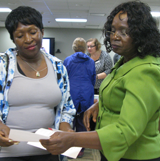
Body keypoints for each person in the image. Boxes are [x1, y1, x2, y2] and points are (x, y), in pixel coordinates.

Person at [40, 1, 160, 161]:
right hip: (111, 152)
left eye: (124, 32)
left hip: (135, 155)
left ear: (141, 35)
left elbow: (126, 131)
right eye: (113, 30)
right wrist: (99, 104)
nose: (115, 36)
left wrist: (73, 139)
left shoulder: (146, 70)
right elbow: (120, 92)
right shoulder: (125, 61)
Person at [0, 6, 76, 161]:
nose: (28, 39)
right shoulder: (3, 66)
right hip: (8, 154)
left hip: (48, 152)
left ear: (42, 31)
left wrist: (66, 127)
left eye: (33, 32)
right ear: (13, 39)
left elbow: (67, 107)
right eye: (20, 35)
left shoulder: (58, 67)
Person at [63, 37, 96, 158]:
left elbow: (63, 79)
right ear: (84, 49)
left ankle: (69, 147)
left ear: (74, 48)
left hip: (72, 93)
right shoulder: (91, 62)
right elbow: (93, 79)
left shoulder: (68, 60)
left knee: (68, 121)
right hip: (87, 94)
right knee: (83, 121)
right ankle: (80, 150)